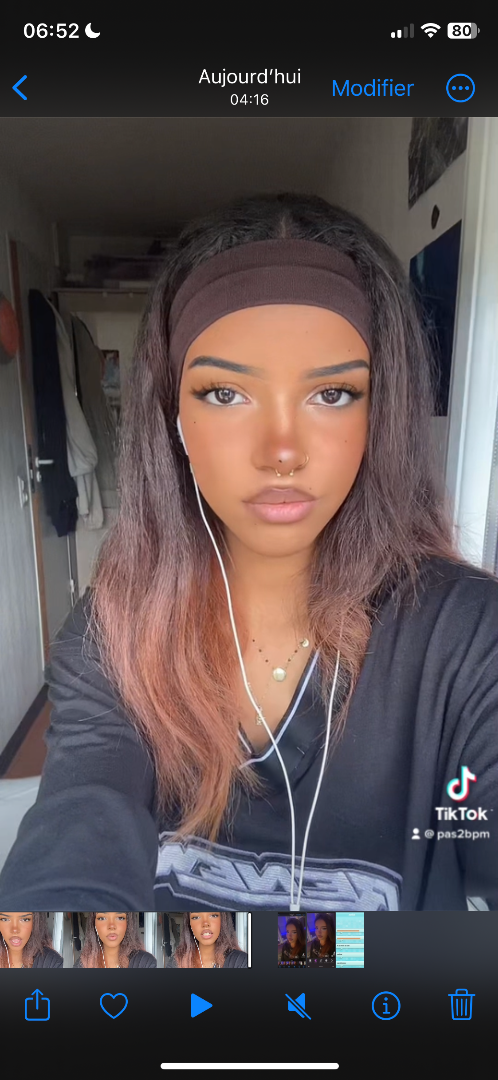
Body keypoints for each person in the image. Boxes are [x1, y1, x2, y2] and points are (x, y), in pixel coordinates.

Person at [1, 192, 497, 913]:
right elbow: (78, 832)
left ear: (378, 413)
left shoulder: (471, 639)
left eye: (333, 393)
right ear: (173, 418)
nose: (281, 451)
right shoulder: (114, 635)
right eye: (226, 393)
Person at [74, 912, 156, 968]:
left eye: (120, 918)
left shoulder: (145, 962)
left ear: (128, 923)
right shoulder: (83, 964)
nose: (112, 926)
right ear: (94, 924)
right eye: (102, 918)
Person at [165, 912, 247, 968]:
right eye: (196, 917)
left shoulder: (241, 962)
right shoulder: (177, 963)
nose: (205, 923)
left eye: (213, 915)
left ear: (223, 920)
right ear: (189, 924)